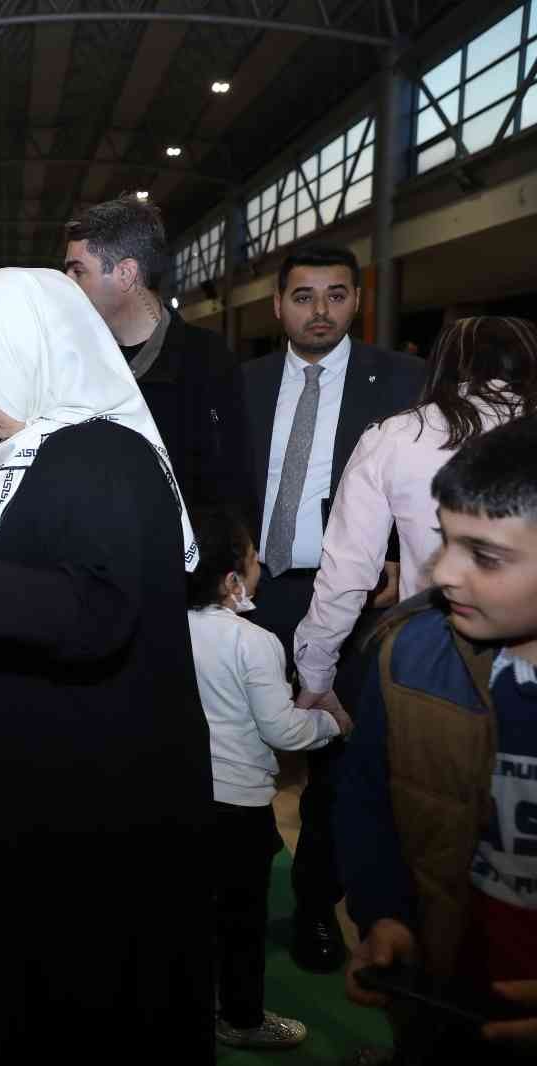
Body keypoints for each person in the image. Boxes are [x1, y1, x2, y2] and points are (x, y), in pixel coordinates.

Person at [0, 268, 215, 1061]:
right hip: (44, 793)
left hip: (96, 808)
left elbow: (103, 611)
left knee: (91, 1007)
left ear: (25, 355)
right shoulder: (37, 456)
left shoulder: (102, 455)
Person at [240, 242, 425, 972]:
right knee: (238, 751)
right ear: (278, 304)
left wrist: (398, 561)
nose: (321, 310)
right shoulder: (244, 381)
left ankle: (317, 905)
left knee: (338, 762)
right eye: (305, 295)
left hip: (354, 596)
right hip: (252, 591)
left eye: (337, 294)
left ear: (357, 300)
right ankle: (234, 898)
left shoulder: (403, 379)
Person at [337, 415, 537, 1064]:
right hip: (452, 976)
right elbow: (370, 798)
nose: (444, 573)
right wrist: (387, 916)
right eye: (444, 540)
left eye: (484, 555)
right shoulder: (409, 654)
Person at [295, 316, 537, 708]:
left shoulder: (395, 436)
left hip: (433, 655)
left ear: (440, 364)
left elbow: (348, 570)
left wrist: (315, 673)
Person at [186, 506, 353, 1050]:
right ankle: (241, 1018)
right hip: (239, 804)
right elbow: (284, 730)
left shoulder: (169, 628)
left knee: (193, 911)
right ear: (234, 579)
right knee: (241, 922)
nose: (260, 569)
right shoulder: (254, 642)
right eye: (255, 560)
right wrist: (331, 722)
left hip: (183, 795)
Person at [63, 193, 251, 511]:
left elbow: (230, 475)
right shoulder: (74, 361)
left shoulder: (206, 360)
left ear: (125, 274)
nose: (66, 283)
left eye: (78, 272)